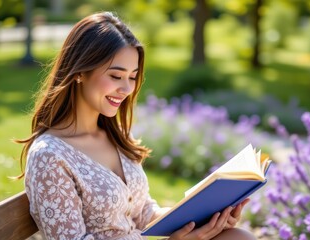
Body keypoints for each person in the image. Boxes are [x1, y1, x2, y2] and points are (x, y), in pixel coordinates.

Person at [16, 11, 256, 240]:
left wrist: (210, 218)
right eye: (115, 76)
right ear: (79, 72)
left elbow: (144, 213)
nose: (127, 89)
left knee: (237, 236)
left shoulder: (113, 135)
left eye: (132, 77)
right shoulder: (50, 156)